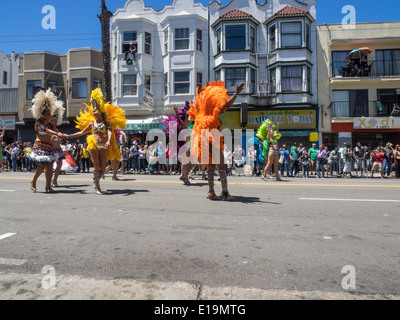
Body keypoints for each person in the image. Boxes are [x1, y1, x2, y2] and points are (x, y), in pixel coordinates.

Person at [59, 88, 124, 195]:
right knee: (97, 166)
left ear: (101, 112)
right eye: (93, 111)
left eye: (96, 110)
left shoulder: (107, 123)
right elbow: (81, 133)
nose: (94, 112)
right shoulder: (91, 124)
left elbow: (109, 133)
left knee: (103, 169)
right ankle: (97, 185)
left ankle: (97, 180)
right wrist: (68, 135)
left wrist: (108, 141)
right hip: (93, 145)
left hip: (104, 146)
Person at [188, 80, 245, 200]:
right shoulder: (213, 114)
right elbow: (227, 106)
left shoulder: (202, 115)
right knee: (221, 166)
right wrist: (235, 94)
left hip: (203, 139)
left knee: (211, 166)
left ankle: (211, 192)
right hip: (211, 138)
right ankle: (224, 192)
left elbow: (192, 117)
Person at [28, 89, 63, 192]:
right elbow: (45, 130)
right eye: (48, 114)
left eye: (50, 114)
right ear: (43, 115)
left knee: (50, 166)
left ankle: (48, 185)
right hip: (40, 146)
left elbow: (55, 132)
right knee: (43, 164)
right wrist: (56, 134)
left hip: (49, 146)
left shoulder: (50, 124)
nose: (50, 116)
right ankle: (33, 181)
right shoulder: (38, 123)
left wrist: (60, 137)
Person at [50, 105, 66, 187]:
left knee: (60, 164)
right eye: (54, 120)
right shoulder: (48, 129)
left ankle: (55, 180)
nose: (55, 122)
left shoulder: (56, 130)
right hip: (51, 149)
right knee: (50, 166)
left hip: (58, 149)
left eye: (56, 120)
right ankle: (48, 181)